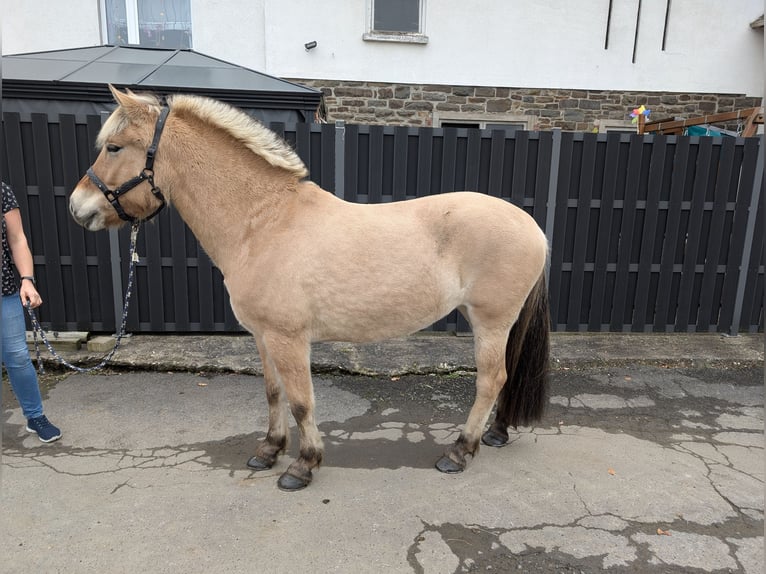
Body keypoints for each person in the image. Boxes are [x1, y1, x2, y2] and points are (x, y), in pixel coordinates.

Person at [2, 181, 61, 442]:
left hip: (3, 292)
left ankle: (35, 416)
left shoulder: (2, 191)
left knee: (17, 356)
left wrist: (27, 279)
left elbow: (17, 239)